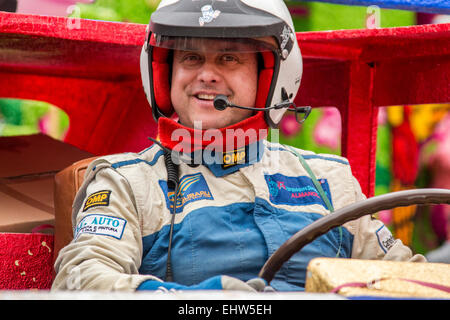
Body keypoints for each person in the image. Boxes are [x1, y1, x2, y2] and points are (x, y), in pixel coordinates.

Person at [52, 0, 425, 292]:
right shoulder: (128, 184)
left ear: (271, 75)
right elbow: (83, 279)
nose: (207, 74)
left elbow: (410, 282)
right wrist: (203, 302)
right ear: (163, 74)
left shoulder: (329, 179)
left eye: (228, 58)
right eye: (191, 57)